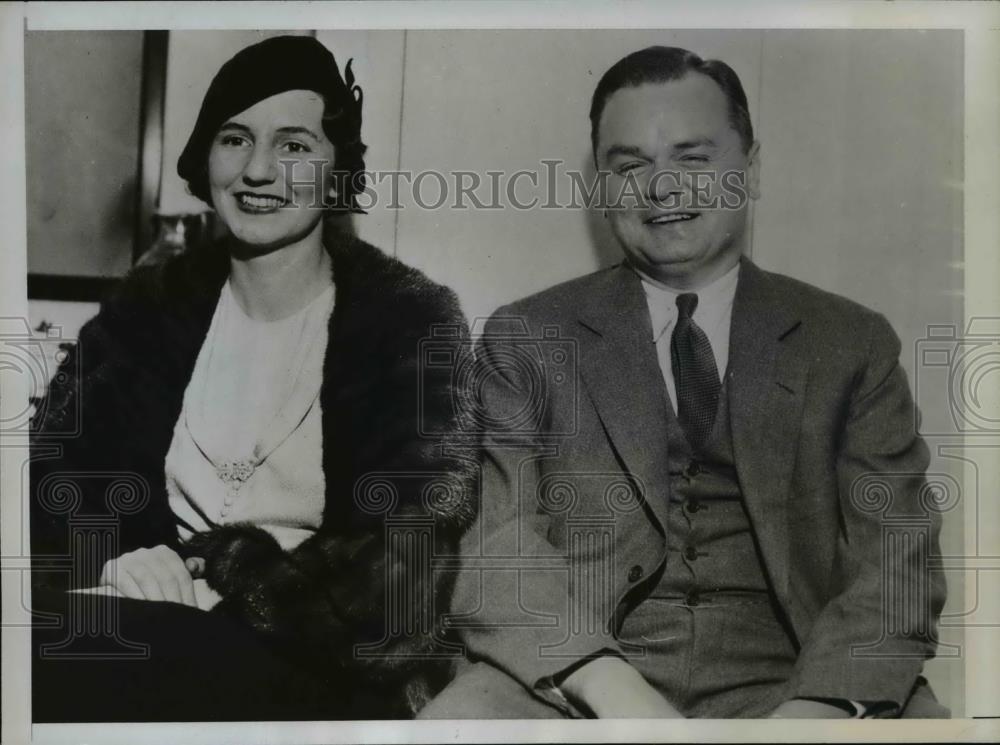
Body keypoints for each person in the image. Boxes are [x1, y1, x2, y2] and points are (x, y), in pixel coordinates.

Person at [421, 45, 948, 719]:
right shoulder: (525, 337)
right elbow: (494, 543)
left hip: (799, 678)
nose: (661, 187)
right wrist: (609, 685)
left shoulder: (852, 343)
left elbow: (898, 557)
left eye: (693, 159)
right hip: (575, 680)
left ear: (749, 170)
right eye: (629, 165)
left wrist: (817, 708)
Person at [30, 35, 477, 721]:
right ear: (205, 159)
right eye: (235, 139)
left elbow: (403, 575)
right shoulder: (147, 310)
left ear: (336, 170)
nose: (259, 170)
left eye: (294, 145)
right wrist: (117, 557)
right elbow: (50, 481)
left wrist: (228, 569)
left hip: (320, 665)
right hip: (141, 627)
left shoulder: (409, 324)